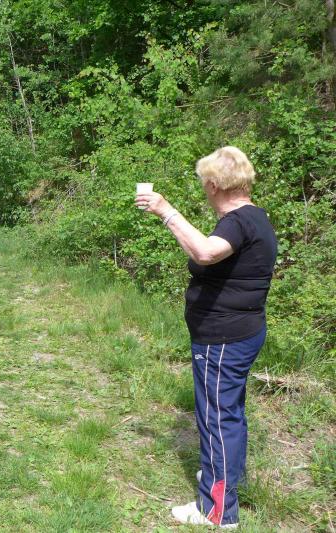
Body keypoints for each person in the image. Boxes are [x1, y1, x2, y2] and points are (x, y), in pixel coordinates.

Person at [136, 146, 277, 529]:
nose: (203, 189)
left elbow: (204, 251)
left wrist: (165, 211)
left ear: (213, 185)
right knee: (229, 413)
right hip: (240, 332)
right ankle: (227, 480)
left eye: (204, 183)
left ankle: (216, 511)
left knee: (217, 419)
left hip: (223, 339)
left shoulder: (237, 222)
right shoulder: (255, 217)